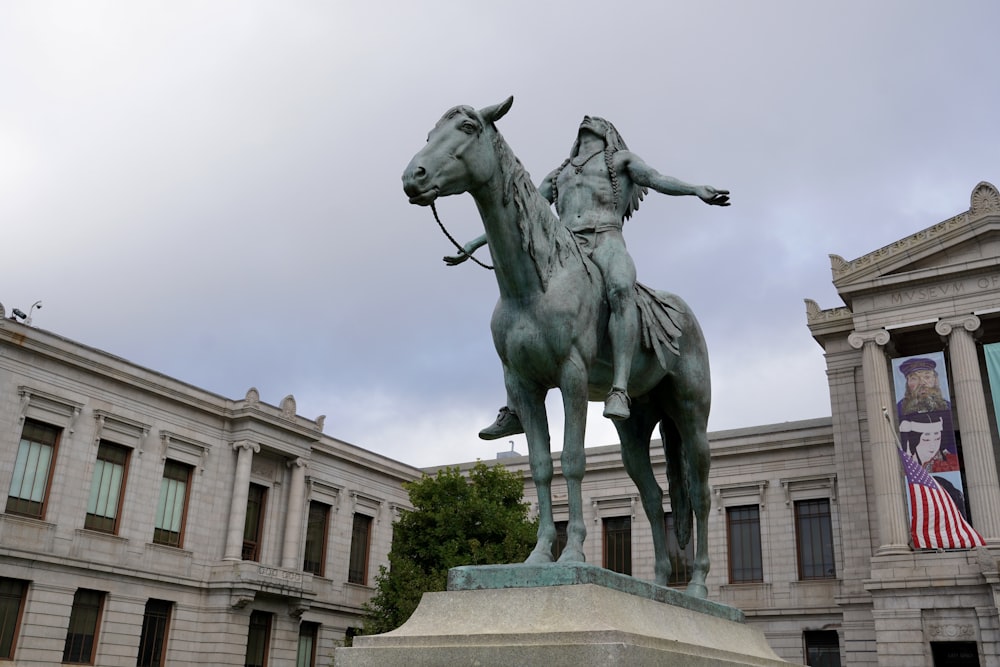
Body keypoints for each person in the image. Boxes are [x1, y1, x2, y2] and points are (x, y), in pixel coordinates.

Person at [445, 116, 729, 439]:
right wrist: (473, 243)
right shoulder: (561, 172)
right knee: (515, 308)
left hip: (606, 241)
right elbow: (523, 209)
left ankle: (620, 387)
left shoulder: (621, 160)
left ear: (608, 133)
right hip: (566, 248)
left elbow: (656, 178)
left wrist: (695, 190)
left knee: (621, 287)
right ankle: (514, 408)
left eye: (594, 122)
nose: (586, 121)